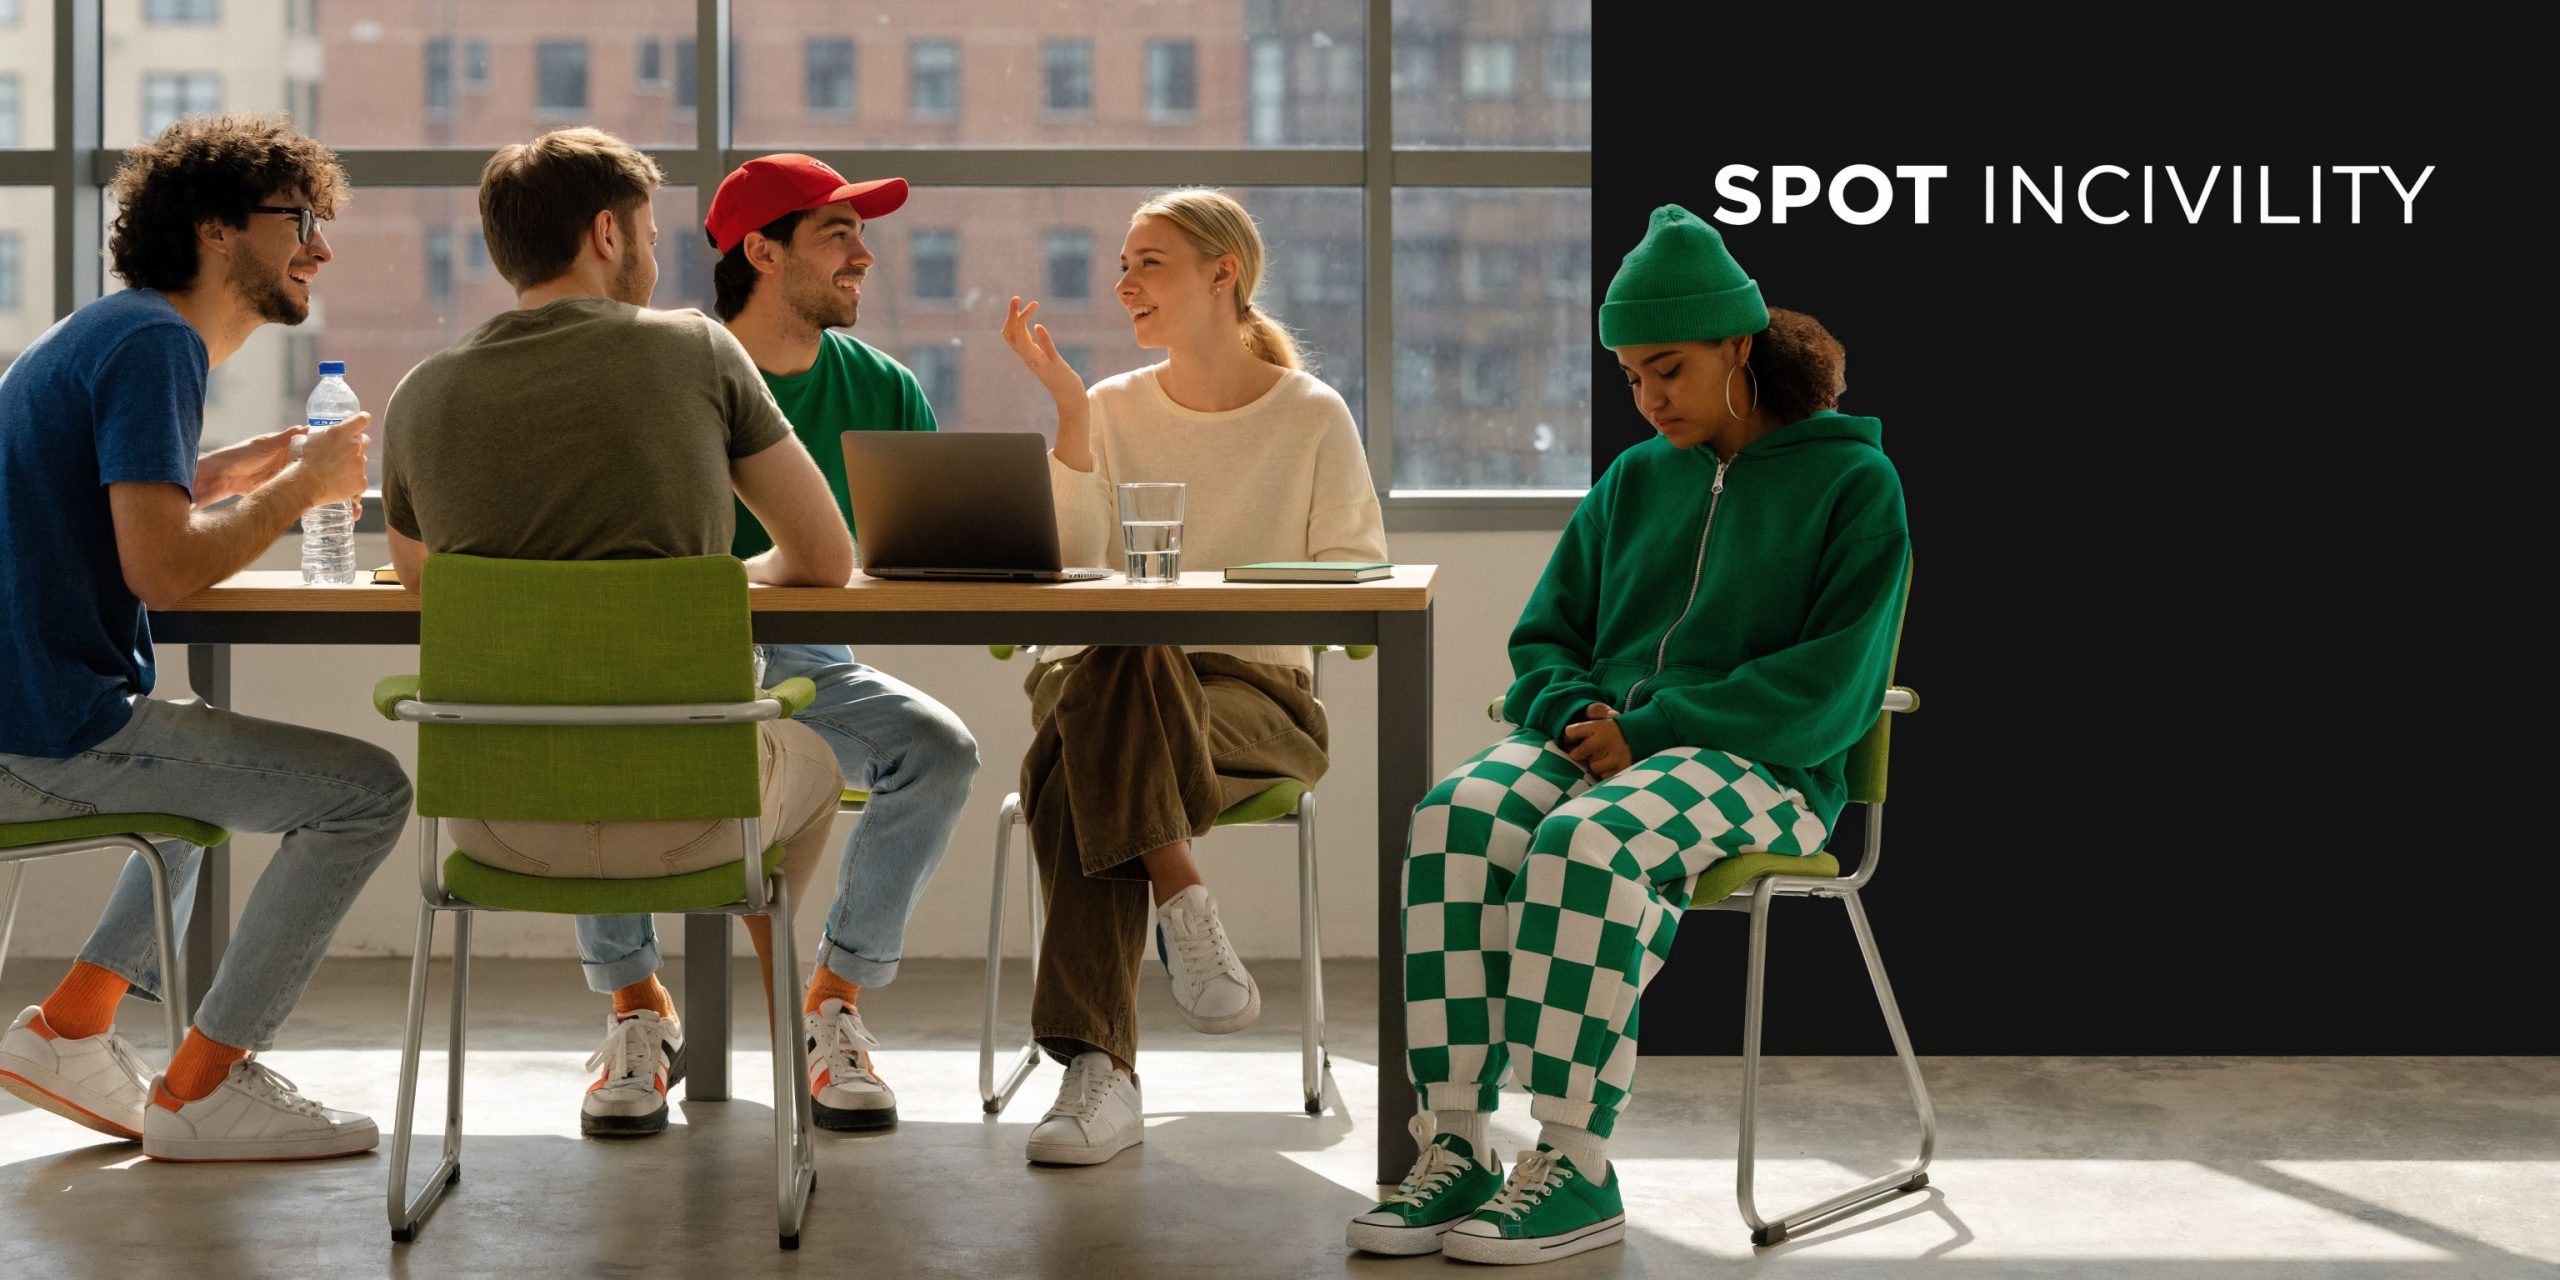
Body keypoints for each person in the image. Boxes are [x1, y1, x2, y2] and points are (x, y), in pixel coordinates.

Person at [1348, 205, 1910, 1264]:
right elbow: (1545, 633)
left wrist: (1652, 727)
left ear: (1737, 346)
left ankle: (1573, 1158)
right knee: (1453, 819)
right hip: (1597, 743)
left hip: (1766, 766)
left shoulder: (1852, 483)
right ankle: (1456, 1140)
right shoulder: (1634, 480)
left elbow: (1832, 683)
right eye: (1631, 379)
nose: (1650, 400)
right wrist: (1571, 709)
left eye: (1670, 371)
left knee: (1586, 845)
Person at [380, 127, 855, 1138]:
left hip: (497, 823)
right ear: (607, 233)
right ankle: (796, 1026)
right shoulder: (693, 349)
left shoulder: (422, 393)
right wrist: (712, 582)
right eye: (643, 229)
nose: (651, 253)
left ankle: (633, 1006)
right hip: (699, 820)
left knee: (584, 731)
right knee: (809, 754)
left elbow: (428, 587)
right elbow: (823, 558)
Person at [0, 113, 405, 1162]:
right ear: (218, 230)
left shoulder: (112, 327)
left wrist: (227, 472)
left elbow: (110, 508)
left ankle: (73, 1027)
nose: (318, 246)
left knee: (195, 761)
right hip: (51, 731)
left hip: (30, 712)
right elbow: (165, 568)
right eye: (298, 220)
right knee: (369, 792)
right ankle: (206, 1086)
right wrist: (303, 484)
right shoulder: (158, 342)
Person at [998, 188, 1387, 1166]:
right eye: (1123, 263)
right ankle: (1179, 887)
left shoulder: (1309, 414)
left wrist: (1210, 597)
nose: (1123, 283)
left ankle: (1099, 1070)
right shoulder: (1115, 406)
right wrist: (1071, 412)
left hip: (1254, 698)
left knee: (1065, 759)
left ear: (1225, 272)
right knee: (1125, 634)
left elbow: (1355, 566)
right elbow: (1073, 563)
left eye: (1149, 261)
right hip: (1105, 670)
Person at [671, 153, 982, 1131]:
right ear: (760, 249)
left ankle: (832, 1000)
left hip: (813, 668)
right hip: (669, 661)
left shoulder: (885, 389)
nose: (865, 255)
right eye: (837, 234)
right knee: (611, 740)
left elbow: (921, 553)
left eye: (862, 233)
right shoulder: (670, 381)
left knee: (937, 748)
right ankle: (638, 1009)